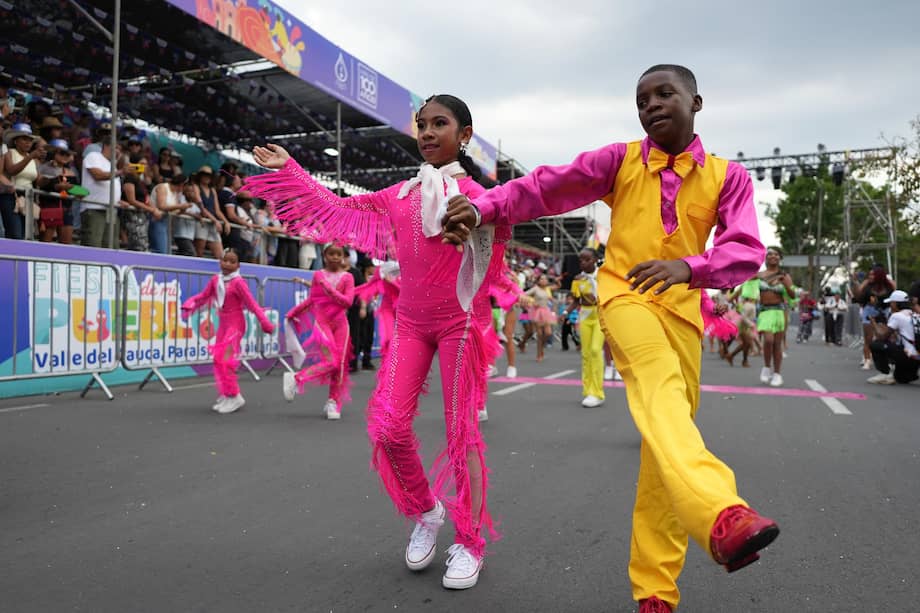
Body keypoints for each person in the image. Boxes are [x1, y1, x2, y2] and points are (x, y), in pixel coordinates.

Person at [440, 65, 778, 612]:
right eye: (642, 100)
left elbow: (744, 250)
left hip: (685, 315)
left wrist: (689, 269)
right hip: (624, 298)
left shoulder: (727, 176)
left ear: (697, 101)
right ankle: (721, 512)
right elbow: (545, 186)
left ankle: (655, 593)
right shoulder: (619, 160)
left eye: (665, 94)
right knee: (662, 395)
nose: (651, 106)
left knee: (664, 448)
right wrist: (484, 205)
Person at [246, 94, 502, 590]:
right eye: (422, 124)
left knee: (460, 432)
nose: (427, 132)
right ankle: (425, 509)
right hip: (410, 322)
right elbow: (337, 208)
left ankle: (469, 540)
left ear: (464, 135)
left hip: (459, 323)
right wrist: (293, 169)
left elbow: (503, 233)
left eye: (440, 124)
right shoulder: (400, 195)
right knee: (387, 425)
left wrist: (479, 215)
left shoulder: (479, 195)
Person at [181, 249, 274, 414]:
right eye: (225, 260)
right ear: (220, 261)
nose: (228, 264)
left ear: (238, 265)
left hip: (236, 323)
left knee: (226, 360)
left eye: (232, 262)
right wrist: (192, 302)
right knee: (218, 359)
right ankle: (226, 393)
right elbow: (204, 296)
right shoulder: (216, 280)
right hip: (223, 323)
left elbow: (252, 304)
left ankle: (235, 396)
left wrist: (264, 321)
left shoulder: (239, 282)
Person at [282, 243, 355, 420]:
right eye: (332, 254)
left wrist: (329, 289)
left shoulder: (348, 277)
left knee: (341, 364)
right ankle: (297, 378)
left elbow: (348, 302)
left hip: (341, 324)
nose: (336, 257)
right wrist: (293, 313)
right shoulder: (318, 275)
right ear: (324, 256)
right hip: (322, 323)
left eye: (339, 254)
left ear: (343, 257)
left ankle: (333, 401)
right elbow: (312, 299)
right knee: (332, 362)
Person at [565, 248, 605, 408]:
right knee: (586, 354)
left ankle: (598, 392)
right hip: (585, 316)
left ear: (595, 260)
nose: (583, 262)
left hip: (600, 316)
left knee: (596, 350)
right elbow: (576, 301)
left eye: (587, 259)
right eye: (581, 260)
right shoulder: (578, 279)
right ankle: (588, 391)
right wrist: (565, 312)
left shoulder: (603, 276)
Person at [752, 248, 794, 387]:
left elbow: (792, 295)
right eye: (770, 254)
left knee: (777, 344)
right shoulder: (759, 275)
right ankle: (766, 367)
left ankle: (777, 374)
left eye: (776, 254)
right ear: (765, 257)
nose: (773, 256)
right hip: (764, 312)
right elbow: (743, 278)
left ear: (779, 258)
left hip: (779, 311)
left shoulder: (784, 275)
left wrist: (785, 284)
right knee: (768, 340)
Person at [865, 290, 919, 385]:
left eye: (891, 303)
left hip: (907, 356)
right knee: (901, 379)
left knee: (876, 344)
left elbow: (882, 337)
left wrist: (873, 323)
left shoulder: (897, 316)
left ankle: (884, 373)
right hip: (916, 357)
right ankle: (908, 374)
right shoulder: (916, 315)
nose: (890, 306)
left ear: (895, 303)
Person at [2, 122, 43, 239]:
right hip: (11, 195)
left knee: (26, 235)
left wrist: (53, 180)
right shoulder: (9, 153)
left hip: (28, 198)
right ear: (15, 141)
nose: (28, 142)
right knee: (15, 233)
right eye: (24, 139)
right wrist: (30, 157)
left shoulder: (34, 159)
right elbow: (11, 170)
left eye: (30, 140)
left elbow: (38, 180)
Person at [36, 138, 79, 244]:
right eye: (62, 153)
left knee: (67, 244)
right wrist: (56, 185)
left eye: (67, 154)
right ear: (53, 153)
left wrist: (71, 188)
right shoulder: (44, 168)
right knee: (46, 243)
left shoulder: (71, 172)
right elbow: (39, 183)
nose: (65, 156)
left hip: (66, 210)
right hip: (50, 208)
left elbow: (83, 192)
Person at [80, 138, 121, 248]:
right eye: (116, 148)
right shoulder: (94, 156)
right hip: (94, 208)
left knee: (111, 246)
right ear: (107, 146)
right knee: (94, 244)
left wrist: (119, 201)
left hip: (111, 210)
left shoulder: (112, 164)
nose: (118, 152)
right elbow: (97, 175)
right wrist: (121, 172)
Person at [855, 265, 896, 369]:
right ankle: (867, 360)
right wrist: (862, 284)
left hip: (884, 311)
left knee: (886, 336)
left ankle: (888, 360)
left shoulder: (888, 286)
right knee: (868, 337)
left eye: (872, 274)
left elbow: (895, 293)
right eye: (869, 274)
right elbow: (858, 296)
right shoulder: (868, 285)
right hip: (869, 311)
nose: (870, 276)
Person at [189, 165, 229, 259]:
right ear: (200, 176)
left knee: (220, 255)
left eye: (209, 175)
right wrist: (215, 220)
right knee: (199, 252)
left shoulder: (212, 190)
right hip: (202, 221)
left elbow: (217, 210)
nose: (207, 177)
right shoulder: (196, 187)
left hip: (212, 223)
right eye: (205, 175)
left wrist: (226, 221)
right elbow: (201, 206)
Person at [524, 274, 558, 362]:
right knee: (539, 335)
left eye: (545, 279)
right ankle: (539, 354)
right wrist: (532, 302)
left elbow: (557, 287)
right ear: (538, 280)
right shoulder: (535, 288)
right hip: (537, 312)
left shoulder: (547, 289)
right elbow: (524, 295)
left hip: (546, 311)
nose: (543, 281)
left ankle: (542, 349)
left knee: (548, 333)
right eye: (541, 279)